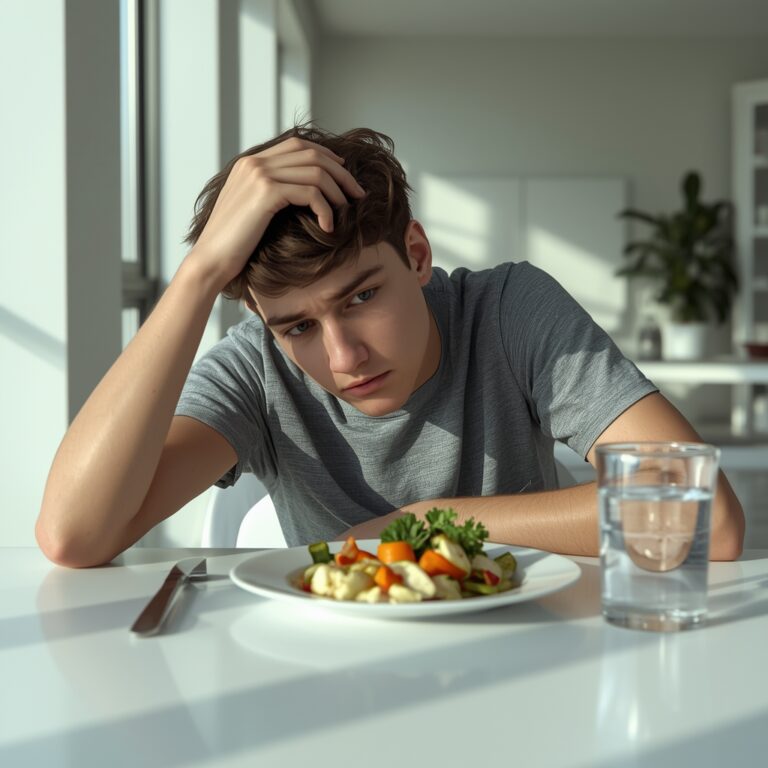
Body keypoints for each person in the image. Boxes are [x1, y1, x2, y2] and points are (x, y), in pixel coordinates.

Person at [36, 125, 745, 568]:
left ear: (416, 253)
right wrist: (198, 276)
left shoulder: (508, 310)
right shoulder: (257, 368)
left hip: (534, 671)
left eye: (361, 297)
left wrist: (424, 524)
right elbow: (73, 537)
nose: (343, 358)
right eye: (298, 326)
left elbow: (705, 516)